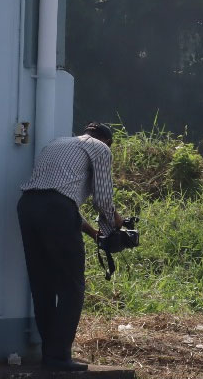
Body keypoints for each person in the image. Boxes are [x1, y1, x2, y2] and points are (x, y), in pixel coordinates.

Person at [18, 122, 123, 371]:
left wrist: (93, 233)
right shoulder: (100, 149)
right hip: (57, 210)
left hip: (28, 207)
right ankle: (59, 357)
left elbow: (57, 199)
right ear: (107, 142)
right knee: (72, 287)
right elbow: (102, 199)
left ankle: (50, 355)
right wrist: (115, 221)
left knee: (42, 285)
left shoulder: (57, 143)